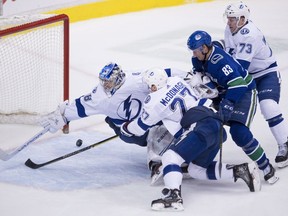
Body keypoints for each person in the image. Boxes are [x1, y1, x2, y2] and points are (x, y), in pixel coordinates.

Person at [120, 68, 261, 211]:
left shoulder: (153, 101)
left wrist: (125, 128)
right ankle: (241, 170)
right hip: (215, 125)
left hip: (199, 125)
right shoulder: (176, 81)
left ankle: (173, 196)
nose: (149, 89)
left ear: (154, 86)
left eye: (150, 86)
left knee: (170, 157)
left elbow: (139, 128)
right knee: (196, 170)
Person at [40, 62, 186, 180]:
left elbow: (164, 73)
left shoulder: (135, 79)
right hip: (126, 129)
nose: (106, 85)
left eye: (109, 81)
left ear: (118, 78)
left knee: (167, 119)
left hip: (145, 118)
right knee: (150, 134)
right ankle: (156, 163)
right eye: (104, 81)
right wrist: (63, 115)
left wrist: (187, 76)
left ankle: (180, 151)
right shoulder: (99, 96)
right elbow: (80, 106)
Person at [186, 30, 279, 185]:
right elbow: (199, 73)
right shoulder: (197, 59)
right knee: (204, 122)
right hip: (222, 91)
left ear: (204, 48)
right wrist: (207, 86)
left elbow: (238, 84)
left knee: (239, 132)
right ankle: (191, 158)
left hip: (244, 92)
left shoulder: (220, 61)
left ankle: (266, 167)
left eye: (196, 50)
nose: (194, 54)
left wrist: (228, 104)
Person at [223, 1, 288, 168]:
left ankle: (285, 144)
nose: (229, 22)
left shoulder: (249, 34)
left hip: (266, 74)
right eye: (228, 18)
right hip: (248, 77)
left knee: (268, 106)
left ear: (243, 18)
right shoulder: (230, 29)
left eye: (233, 19)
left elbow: (239, 67)